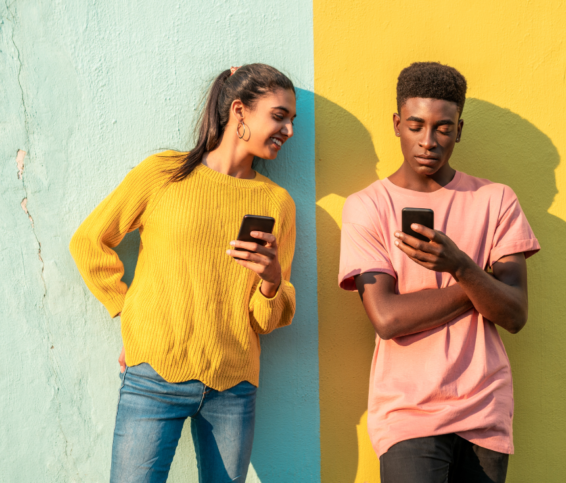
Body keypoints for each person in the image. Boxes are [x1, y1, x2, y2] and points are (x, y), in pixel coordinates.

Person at [70, 63, 298, 482]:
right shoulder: (164, 174)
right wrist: (127, 312)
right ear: (239, 111)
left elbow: (266, 320)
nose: (288, 130)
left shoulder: (277, 203)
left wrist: (270, 280)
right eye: (279, 116)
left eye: (291, 120)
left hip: (233, 387)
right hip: (153, 377)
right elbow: (88, 241)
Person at [338, 62, 540, 483]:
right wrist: (477, 279)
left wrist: (461, 266)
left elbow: (515, 314)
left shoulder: (496, 200)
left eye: (443, 129)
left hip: (485, 411)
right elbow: (388, 318)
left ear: (460, 130)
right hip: (407, 414)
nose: (428, 141)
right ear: (397, 124)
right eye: (416, 125)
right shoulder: (367, 207)